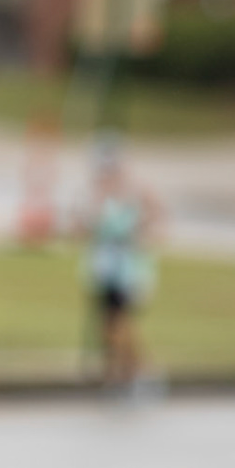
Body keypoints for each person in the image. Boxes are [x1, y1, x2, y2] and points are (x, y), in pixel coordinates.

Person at [79, 142, 163, 393]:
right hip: (106, 271)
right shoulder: (97, 195)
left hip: (129, 272)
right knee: (107, 327)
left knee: (121, 325)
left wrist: (138, 231)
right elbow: (83, 228)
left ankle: (139, 371)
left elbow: (156, 217)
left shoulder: (135, 191)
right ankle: (117, 374)